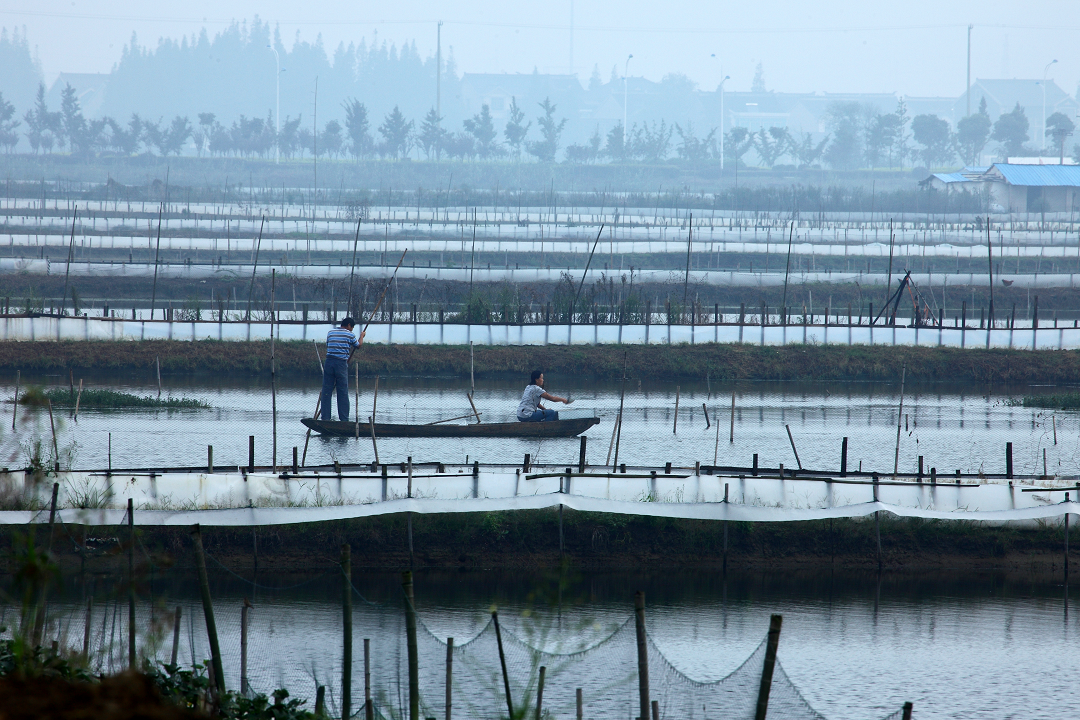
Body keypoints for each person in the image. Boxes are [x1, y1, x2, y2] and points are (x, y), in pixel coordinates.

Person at [321, 317, 365, 422]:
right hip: (340, 363)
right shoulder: (349, 334)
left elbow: (329, 346)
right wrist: (362, 336)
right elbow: (358, 345)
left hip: (329, 362)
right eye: (352, 327)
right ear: (349, 325)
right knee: (342, 392)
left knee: (326, 391)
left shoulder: (330, 332)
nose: (351, 330)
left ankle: (325, 418)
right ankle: (344, 419)